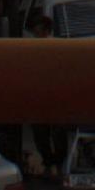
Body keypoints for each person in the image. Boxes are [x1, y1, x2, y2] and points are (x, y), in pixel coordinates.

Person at [30, 11, 65, 174]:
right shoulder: (52, 47)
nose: (35, 33)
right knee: (46, 133)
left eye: (37, 30)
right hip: (45, 96)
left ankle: (54, 163)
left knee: (49, 133)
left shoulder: (50, 48)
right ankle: (54, 163)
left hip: (50, 96)